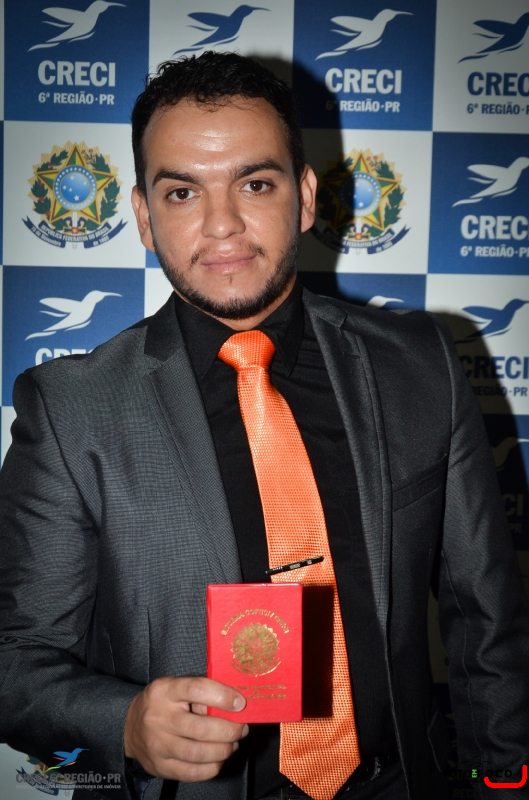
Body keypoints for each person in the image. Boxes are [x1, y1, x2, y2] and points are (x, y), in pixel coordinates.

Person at [0, 52, 528, 800]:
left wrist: (502, 786)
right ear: (144, 218)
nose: (222, 224)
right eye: (182, 192)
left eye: (254, 184)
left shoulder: (420, 364)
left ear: (304, 198)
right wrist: (125, 723)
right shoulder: (70, 410)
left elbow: (488, 623)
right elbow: (16, 657)